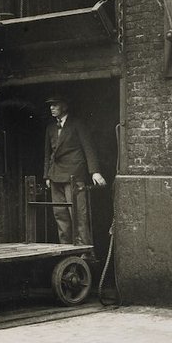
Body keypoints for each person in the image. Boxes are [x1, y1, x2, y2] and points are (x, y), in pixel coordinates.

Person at [42, 95, 106, 253]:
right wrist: (46, 175)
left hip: (74, 175)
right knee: (60, 215)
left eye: (55, 104)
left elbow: (88, 148)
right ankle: (66, 251)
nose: (51, 108)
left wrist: (95, 172)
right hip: (55, 175)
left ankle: (84, 252)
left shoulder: (77, 124)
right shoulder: (50, 128)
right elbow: (47, 153)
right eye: (50, 105)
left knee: (77, 215)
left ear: (64, 106)